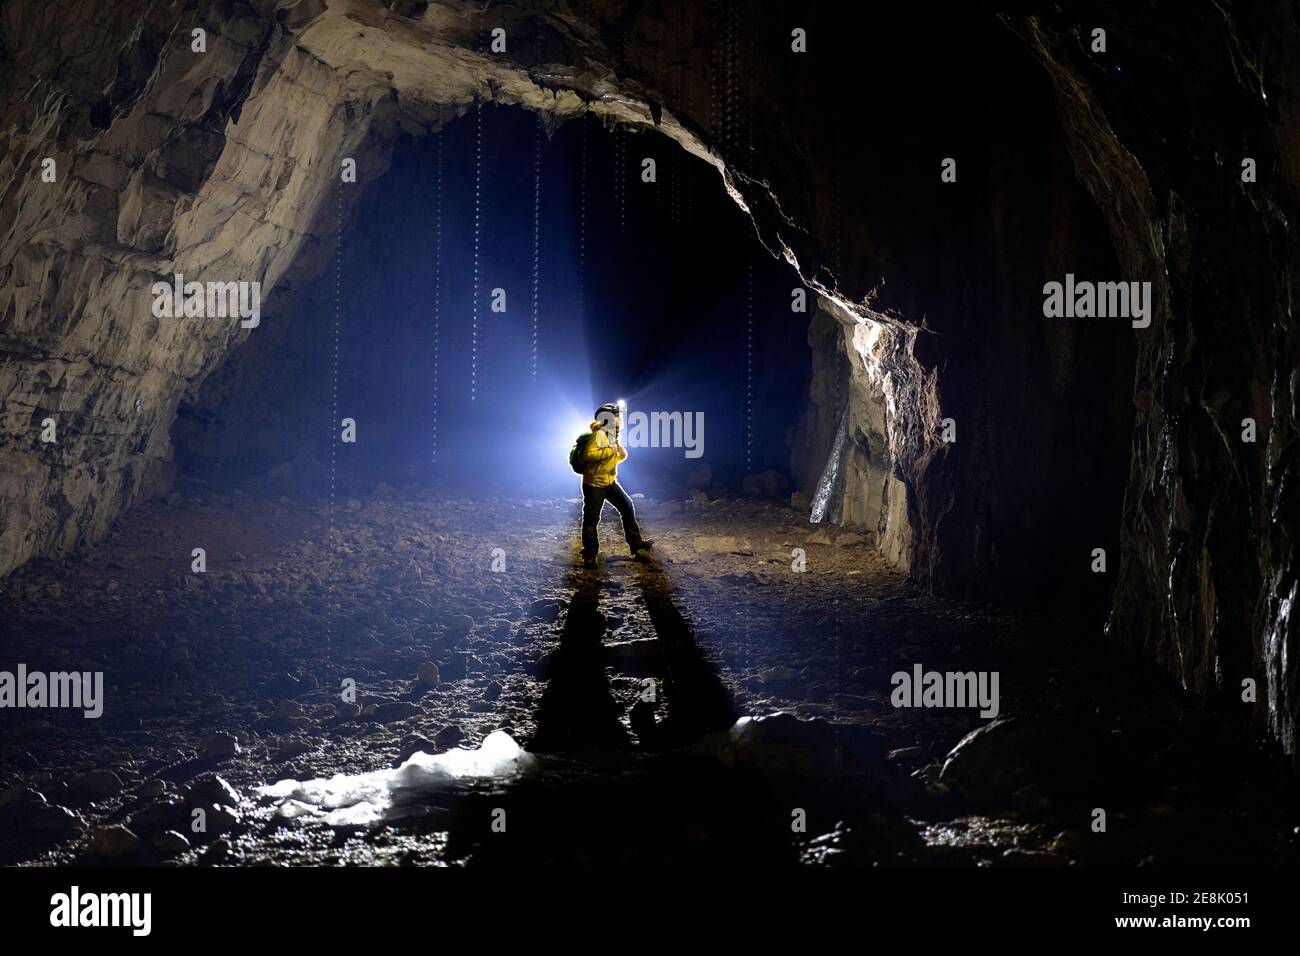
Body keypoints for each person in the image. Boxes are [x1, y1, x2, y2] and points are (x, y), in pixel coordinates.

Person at [578, 402, 652, 568]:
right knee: (591, 519)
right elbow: (589, 455)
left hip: (609, 482)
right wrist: (609, 451)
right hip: (594, 484)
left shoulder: (611, 435)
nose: (621, 420)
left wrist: (618, 454)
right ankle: (590, 555)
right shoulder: (599, 435)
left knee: (626, 506)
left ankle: (636, 544)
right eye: (618, 417)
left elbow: (612, 459)